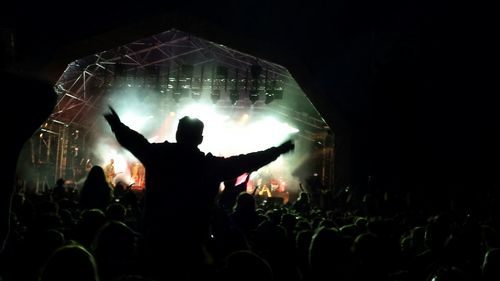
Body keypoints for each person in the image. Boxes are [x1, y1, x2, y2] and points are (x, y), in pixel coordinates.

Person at [103, 106, 294, 280]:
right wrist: (276, 151)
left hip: (156, 240)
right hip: (192, 244)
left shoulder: (158, 156)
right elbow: (245, 161)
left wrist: (117, 126)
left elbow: (136, 143)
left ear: (177, 134)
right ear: (200, 139)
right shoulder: (210, 166)